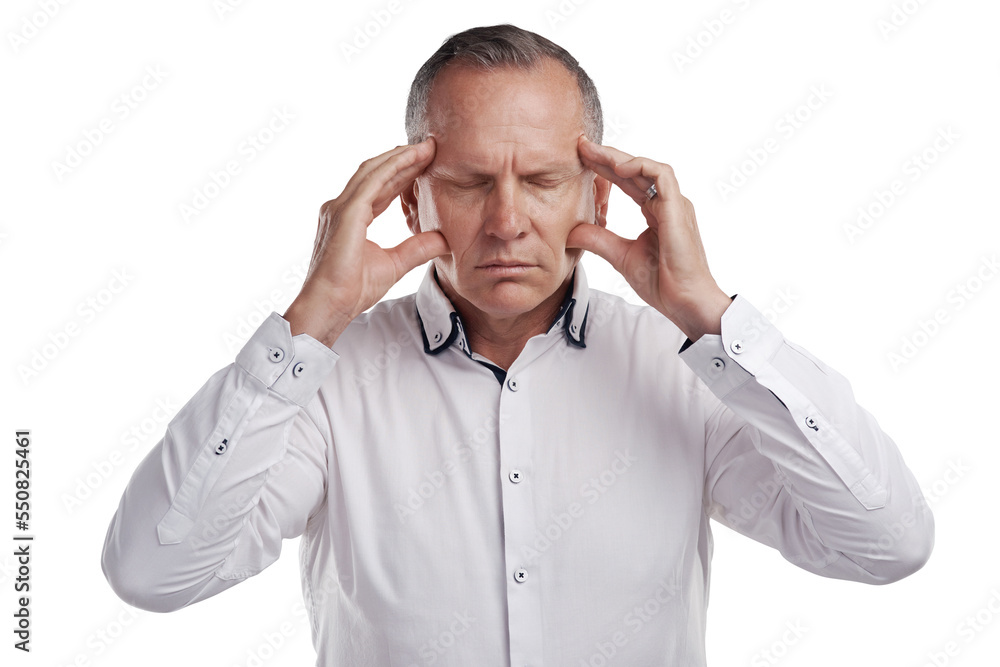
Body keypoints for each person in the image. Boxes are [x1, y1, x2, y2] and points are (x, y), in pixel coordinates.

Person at [102, 24, 934, 666]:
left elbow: (888, 543)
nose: (506, 221)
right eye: (467, 184)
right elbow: (151, 573)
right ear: (407, 204)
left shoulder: (685, 374)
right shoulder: (329, 383)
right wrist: (307, 324)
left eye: (540, 181)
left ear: (600, 201)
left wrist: (713, 317)